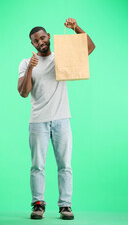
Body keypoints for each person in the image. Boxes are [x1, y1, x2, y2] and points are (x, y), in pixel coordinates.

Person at [17, 18, 95, 220]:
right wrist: (30, 69)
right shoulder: (26, 63)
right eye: (36, 41)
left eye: (43, 37)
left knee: (65, 165)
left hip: (62, 119)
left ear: (48, 36)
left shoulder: (62, 57)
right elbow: (23, 93)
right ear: (32, 44)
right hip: (38, 122)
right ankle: (38, 204)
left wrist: (76, 28)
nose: (40, 42)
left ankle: (65, 206)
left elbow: (90, 47)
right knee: (37, 166)